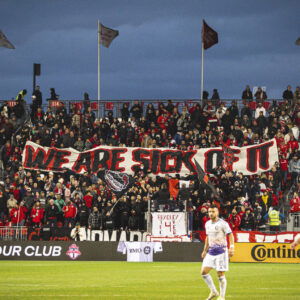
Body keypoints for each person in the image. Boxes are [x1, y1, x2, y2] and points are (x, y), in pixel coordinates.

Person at [201, 205, 234, 300]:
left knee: (220, 274)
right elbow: (208, 238)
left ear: (217, 212)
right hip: (211, 252)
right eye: (209, 211)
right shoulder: (207, 223)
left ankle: (222, 297)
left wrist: (232, 247)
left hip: (221, 252)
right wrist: (204, 250)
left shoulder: (223, 223)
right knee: (203, 272)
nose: (211, 213)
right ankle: (214, 292)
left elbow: (230, 235)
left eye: (213, 211)